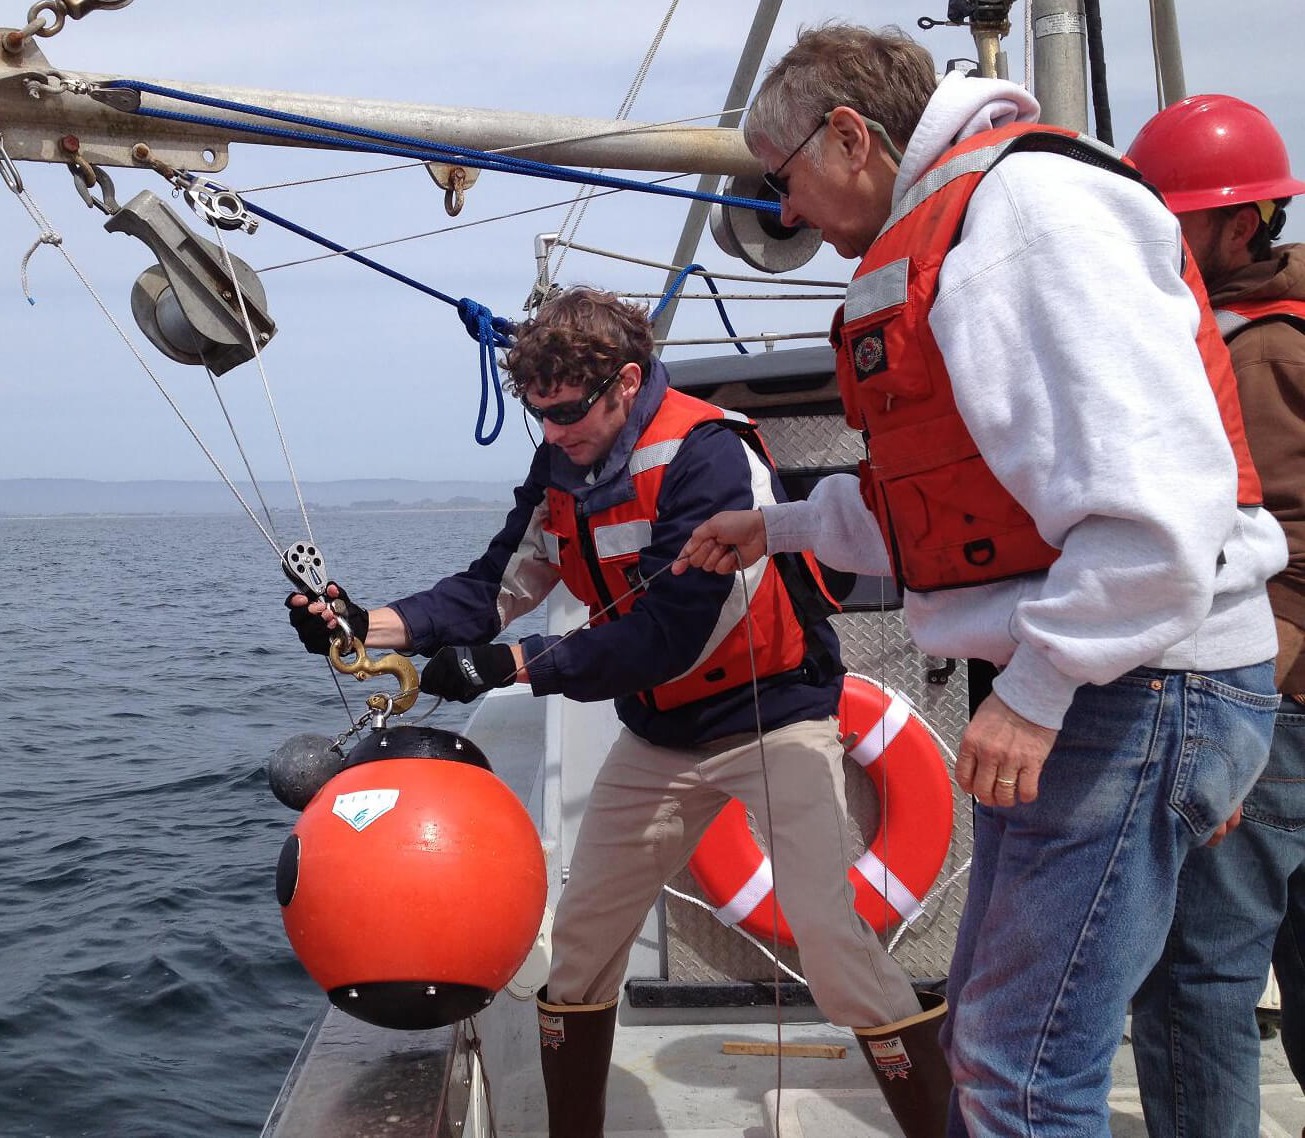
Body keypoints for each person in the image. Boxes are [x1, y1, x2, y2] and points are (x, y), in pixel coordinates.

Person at [674, 23, 1287, 1137]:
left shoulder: (1025, 219)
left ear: (849, 135)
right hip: (1124, 679)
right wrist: (773, 526)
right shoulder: (969, 225)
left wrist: (1038, 688)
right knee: (994, 1049)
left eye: (785, 179)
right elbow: (948, 511)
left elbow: (1155, 514)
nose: (790, 212)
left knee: (1018, 1069)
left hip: (1127, 683)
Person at [286, 286, 950, 1138]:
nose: (555, 433)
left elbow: (676, 631)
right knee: (583, 948)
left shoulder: (709, 453)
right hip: (663, 737)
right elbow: (496, 586)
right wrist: (369, 624)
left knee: (833, 948)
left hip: (773, 717)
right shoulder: (560, 461)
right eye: (540, 416)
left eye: (568, 413)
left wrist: (517, 665)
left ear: (626, 382)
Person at [1124, 93, 1305, 1138]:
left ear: (1242, 226)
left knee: (1196, 976)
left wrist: (1240, 698)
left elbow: (1276, 540)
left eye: (1176, 219)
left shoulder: (1250, 355)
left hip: (1269, 711)